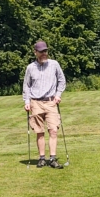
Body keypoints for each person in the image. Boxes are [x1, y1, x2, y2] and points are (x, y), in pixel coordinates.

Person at [22, 40, 66, 168]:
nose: (44, 54)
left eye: (45, 51)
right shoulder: (30, 68)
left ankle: (52, 159)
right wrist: (27, 101)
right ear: (35, 52)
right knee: (39, 132)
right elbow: (27, 86)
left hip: (51, 101)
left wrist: (58, 95)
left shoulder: (54, 64)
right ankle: (42, 158)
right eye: (41, 52)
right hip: (35, 102)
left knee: (53, 130)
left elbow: (62, 81)